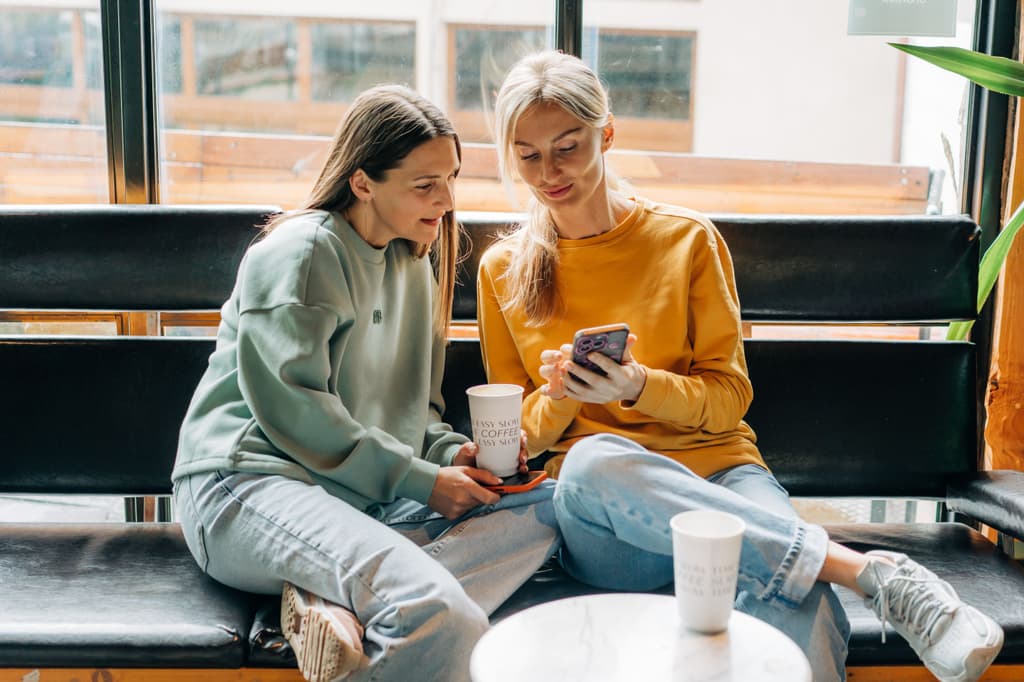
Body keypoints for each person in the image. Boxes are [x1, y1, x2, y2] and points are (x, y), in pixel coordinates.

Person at [476, 50, 1003, 682]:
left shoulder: (687, 241)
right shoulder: (502, 271)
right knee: (592, 462)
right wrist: (564, 395)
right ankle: (869, 573)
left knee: (799, 601)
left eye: (568, 147)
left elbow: (727, 397)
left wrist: (641, 386)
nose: (548, 172)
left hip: (723, 479)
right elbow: (516, 438)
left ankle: (863, 583)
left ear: (606, 134)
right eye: (527, 154)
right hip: (608, 522)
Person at [171, 84, 559, 682]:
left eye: (452, 177)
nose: (448, 199)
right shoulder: (302, 252)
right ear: (362, 182)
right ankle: (354, 590)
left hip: (351, 493)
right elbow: (295, 411)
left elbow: (417, 411)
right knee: (437, 613)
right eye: (425, 184)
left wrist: (452, 452)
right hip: (249, 483)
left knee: (549, 505)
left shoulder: (414, 262)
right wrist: (421, 480)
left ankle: (330, 596)